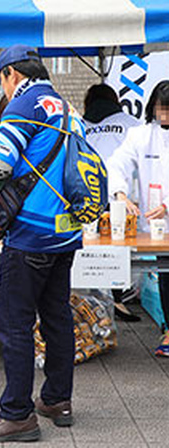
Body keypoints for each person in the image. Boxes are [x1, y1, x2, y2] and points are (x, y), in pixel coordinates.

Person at [0, 45, 83, 442]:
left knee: (15, 323)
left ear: (11, 74)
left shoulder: (23, 105)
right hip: (66, 232)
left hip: (29, 235)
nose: (2, 87)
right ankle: (58, 400)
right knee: (57, 317)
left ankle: (17, 414)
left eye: (1, 80)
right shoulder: (69, 110)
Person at [107, 80, 169, 356]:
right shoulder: (141, 135)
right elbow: (117, 163)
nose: (163, 115)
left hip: (163, 212)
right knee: (167, 275)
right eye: (160, 109)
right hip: (156, 226)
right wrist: (120, 193)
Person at [83, 83, 141, 322]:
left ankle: (95, 302)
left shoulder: (80, 125)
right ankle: (116, 299)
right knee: (117, 246)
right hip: (118, 198)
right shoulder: (130, 124)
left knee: (90, 249)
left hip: (85, 197)